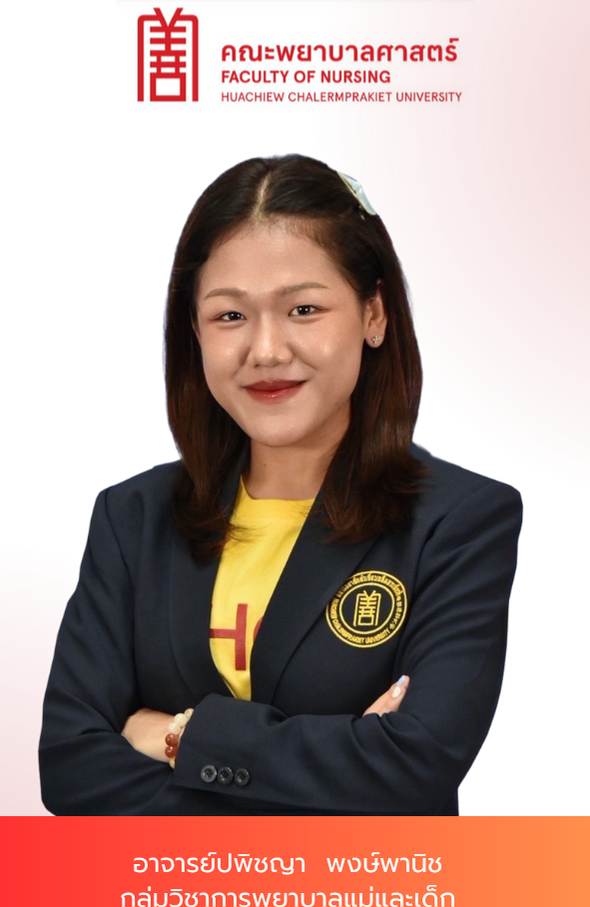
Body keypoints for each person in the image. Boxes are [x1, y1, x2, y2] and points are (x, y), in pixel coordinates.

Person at [39, 154, 522, 815]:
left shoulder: (459, 522)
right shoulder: (132, 518)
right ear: (194, 329)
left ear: (374, 313)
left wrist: (180, 735)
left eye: (303, 308)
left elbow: (414, 766)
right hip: (170, 887)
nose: (265, 350)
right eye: (229, 316)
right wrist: (339, 766)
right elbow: (71, 770)